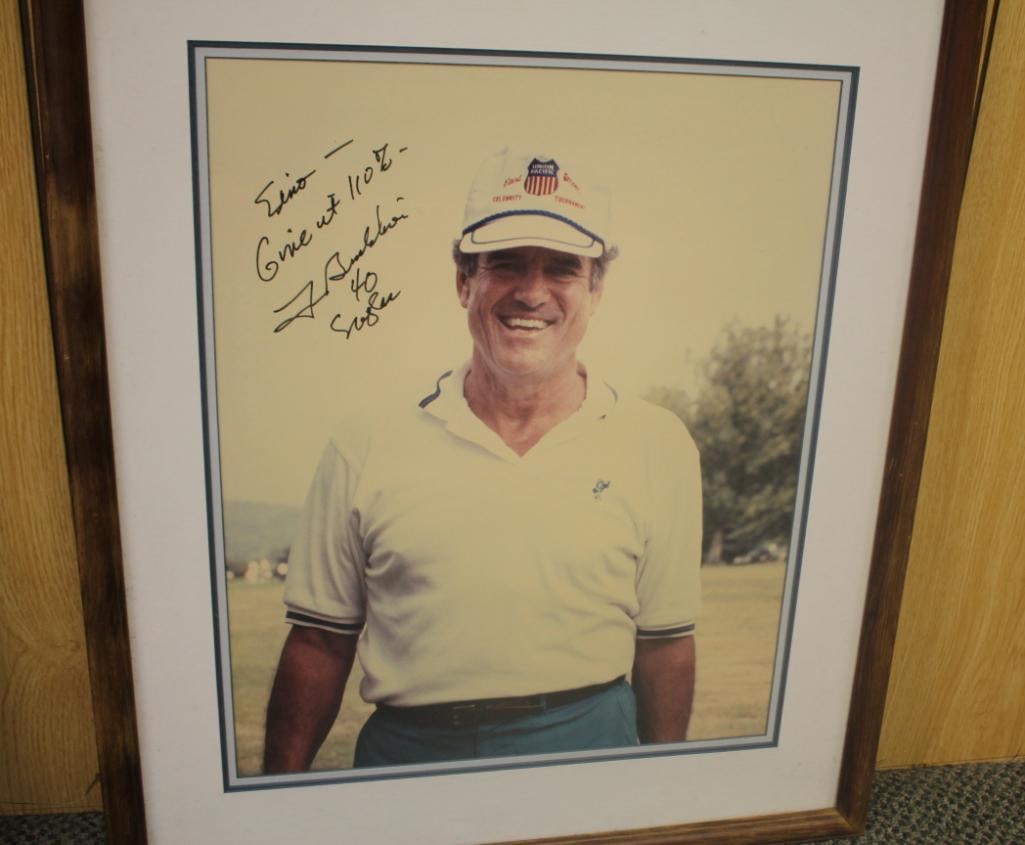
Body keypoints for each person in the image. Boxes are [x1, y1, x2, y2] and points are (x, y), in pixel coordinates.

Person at [263, 149, 702, 772]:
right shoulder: (364, 443)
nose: (532, 292)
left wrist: (665, 794)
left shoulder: (657, 441)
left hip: (589, 746)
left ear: (596, 288)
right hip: (407, 759)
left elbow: (665, 645)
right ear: (463, 280)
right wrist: (274, 799)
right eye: (506, 262)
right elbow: (318, 642)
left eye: (562, 268)